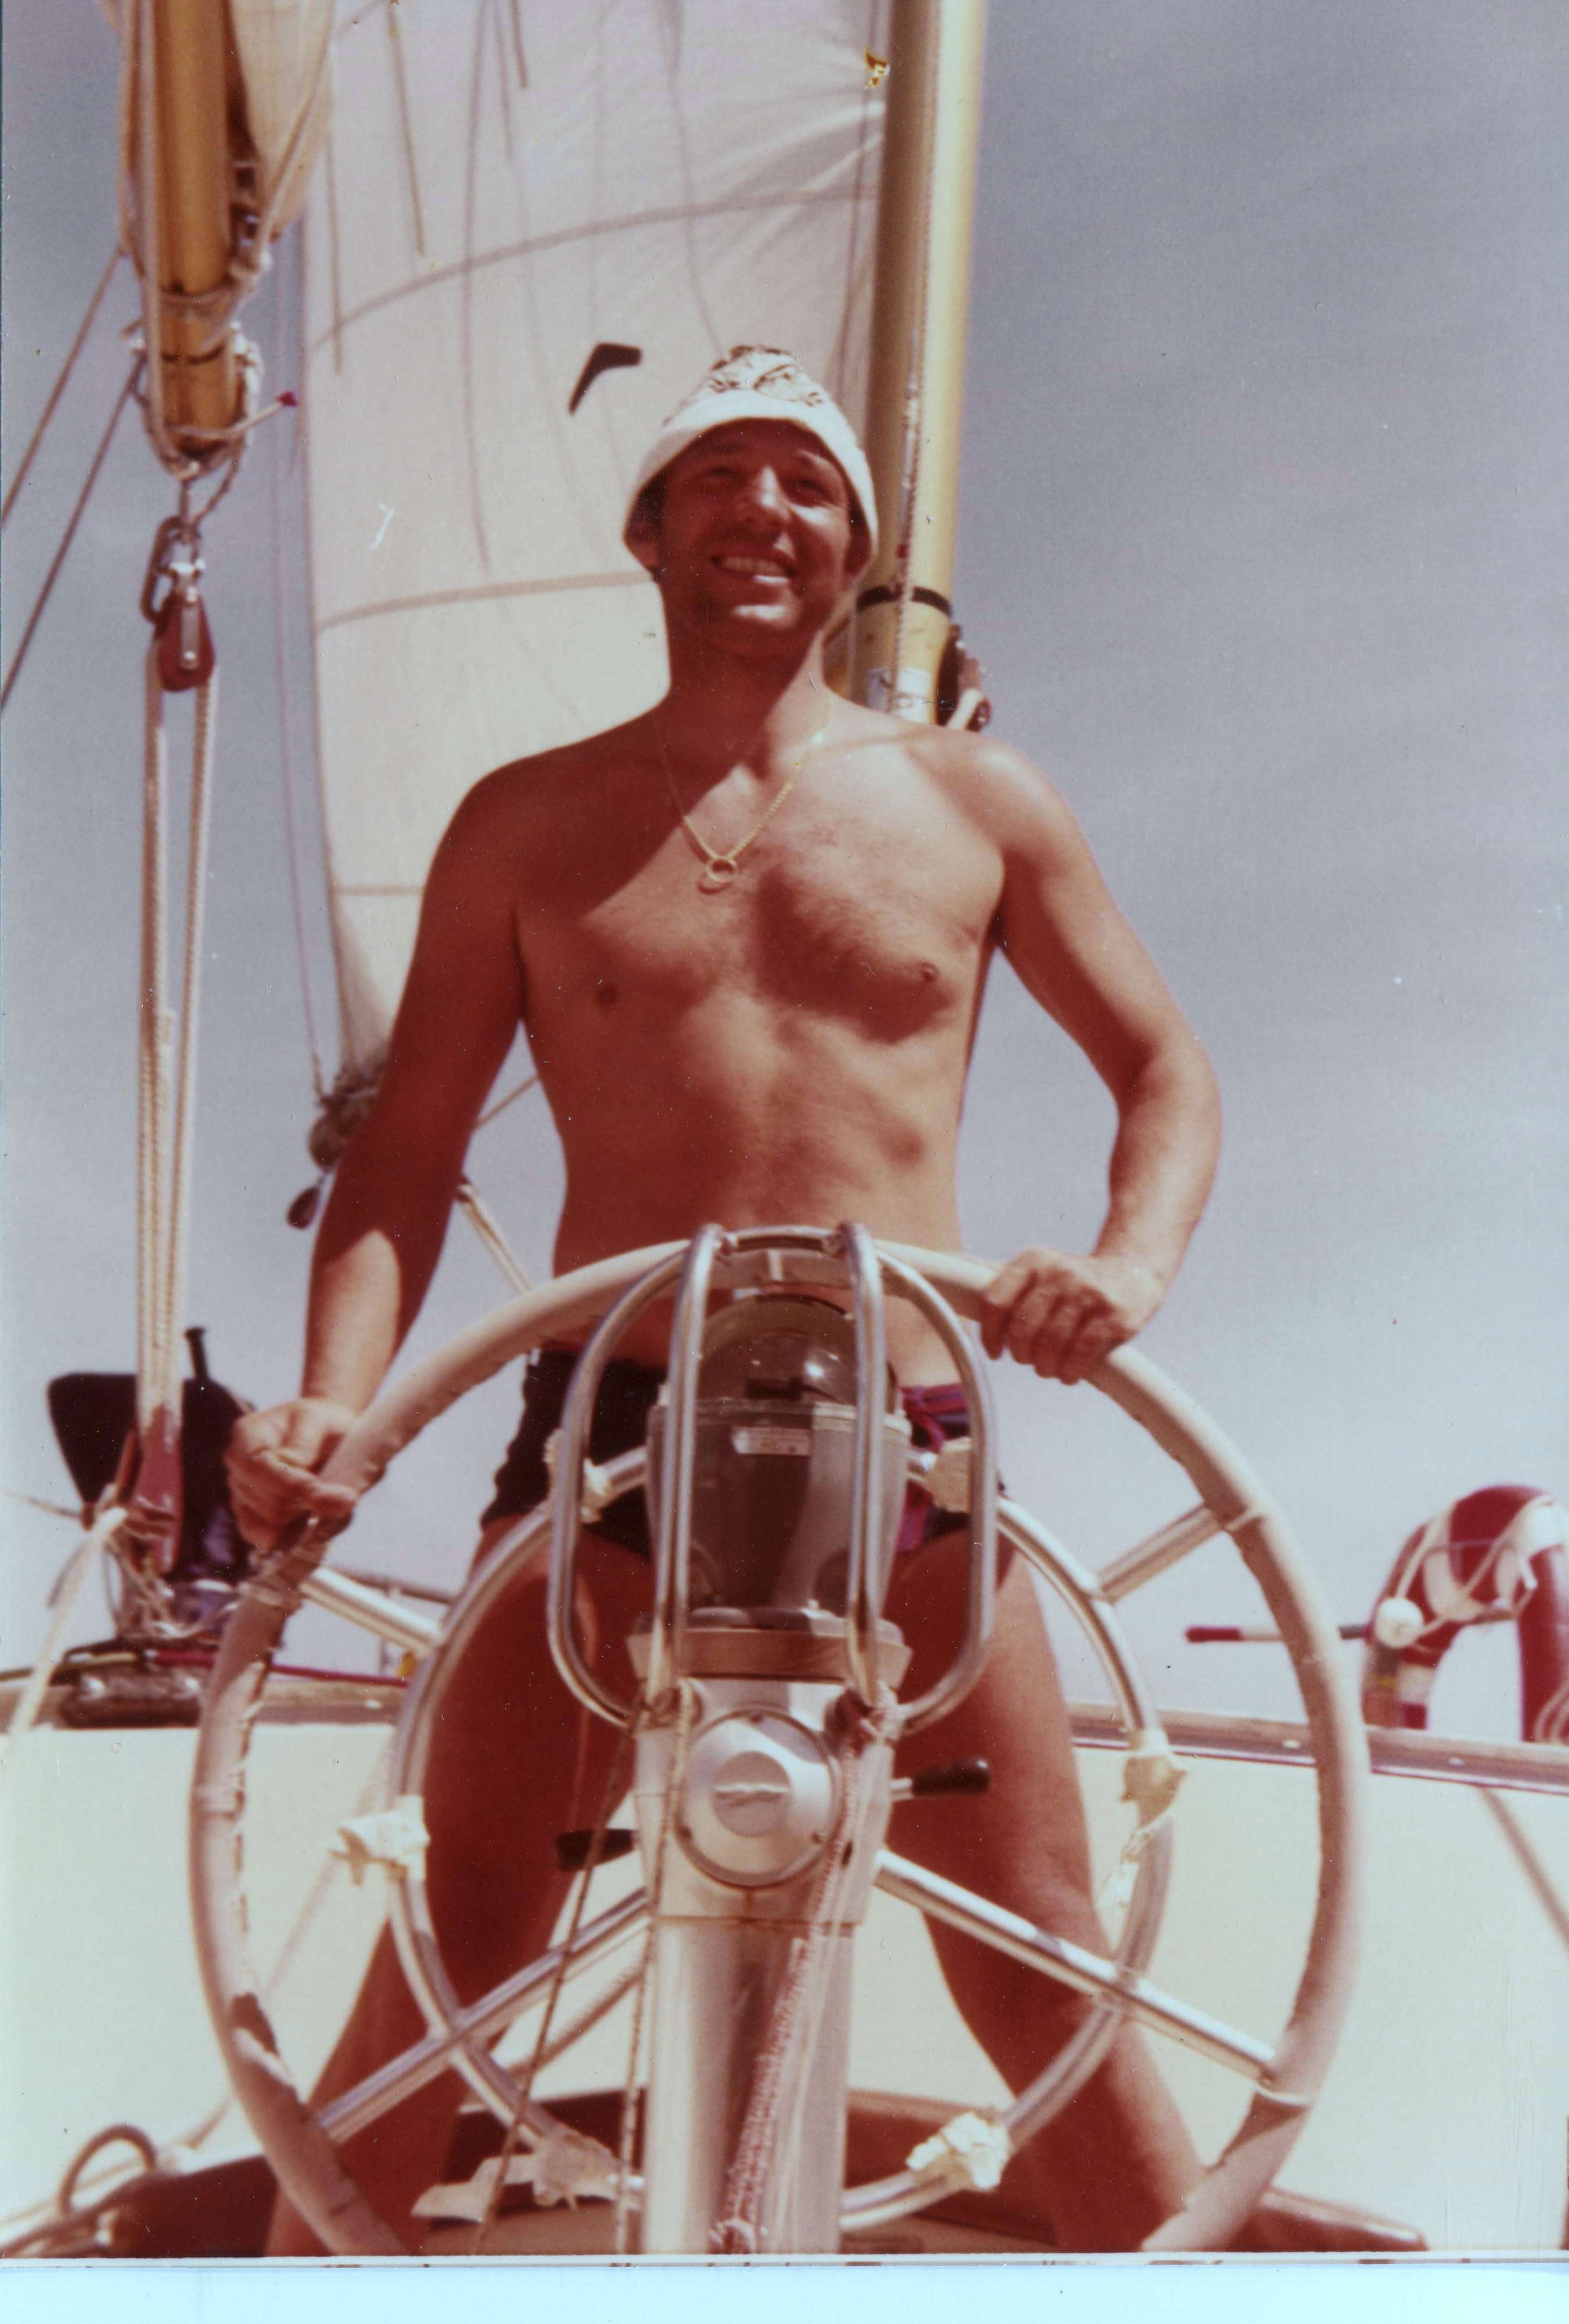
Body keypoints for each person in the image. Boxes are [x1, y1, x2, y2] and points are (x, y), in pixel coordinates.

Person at [228, 346, 1223, 2254]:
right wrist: (336, 1404)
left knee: (1038, 1955)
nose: (765, 509)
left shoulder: (980, 800)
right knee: (455, 1952)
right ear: (649, 528)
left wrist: (1124, 1267)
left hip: (910, 1447)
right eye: (721, 475)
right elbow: (407, 1154)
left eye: (806, 482)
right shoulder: (522, 824)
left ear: (855, 544)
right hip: (612, 1443)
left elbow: (1166, 1070)